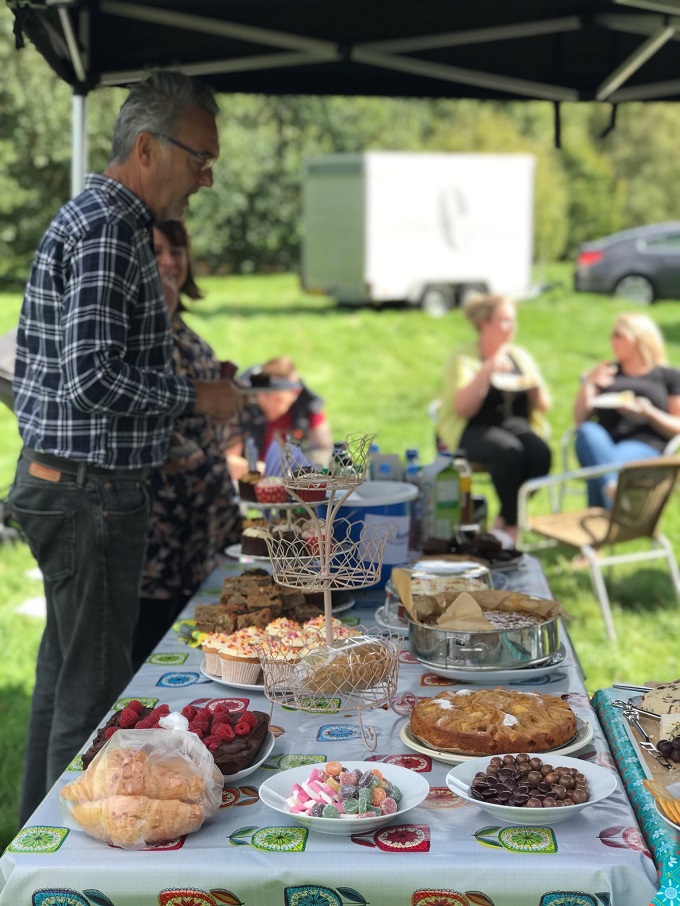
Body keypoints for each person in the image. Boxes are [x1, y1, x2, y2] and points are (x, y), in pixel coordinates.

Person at [8, 70, 244, 825]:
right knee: (92, 695)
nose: (207, 178)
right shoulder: (111, 226)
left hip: (69, 484)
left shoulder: (99, 219)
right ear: (147, 147)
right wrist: (195, 396)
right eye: (200, 157)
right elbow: (91, 379)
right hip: (90, 494)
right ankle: (64, 867)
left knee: (63, 676)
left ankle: (33, 838)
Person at [133, 221, 243, 668]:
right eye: (158, 250)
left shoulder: (177, 318)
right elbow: (143, 403)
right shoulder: (145, 326)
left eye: (176, 251)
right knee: (155, 639)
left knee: (200, 639)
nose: (169, 261)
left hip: (204, 507)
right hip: (166, 513)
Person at [436, 293, 552, 542]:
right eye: (505, 320)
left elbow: (544, 406)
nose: (512, 327)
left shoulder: (520, 356)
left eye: (513, 320)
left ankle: (506, 518)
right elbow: (463, 408)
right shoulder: (463, 358)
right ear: (485, 324)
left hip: (515, 424)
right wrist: (487, 369)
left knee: (540, 453)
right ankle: (511, 526)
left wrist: (534, 385)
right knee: (508, 451)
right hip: (472, 426)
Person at [573, 312, 680, 507]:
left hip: (645, 444)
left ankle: (601, 514)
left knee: (599, 466)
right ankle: (613, 490)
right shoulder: (607, 372)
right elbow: (580, 419)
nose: (612, 340)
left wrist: (649, 413)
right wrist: (588, 383)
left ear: (638, 338)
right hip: (603, 441)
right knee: (587, 431)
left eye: (618, 334)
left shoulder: (668, 376)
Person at [227, 356, 332, 477]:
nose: (269, 404)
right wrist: (272, 470)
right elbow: (229, 462)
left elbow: (324, 449)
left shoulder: (307, 409)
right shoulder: (242, 410)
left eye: (278, 399)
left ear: (295, 393)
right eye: (265, 396)